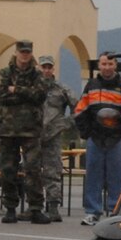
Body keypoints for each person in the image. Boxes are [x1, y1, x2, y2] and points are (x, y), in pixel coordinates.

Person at [73, 51, 121, 224]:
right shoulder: (92, 85)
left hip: (117, 140)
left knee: (118, 176)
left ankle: (116, 211)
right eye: (104, 64)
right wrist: (86, 132)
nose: (107, 67)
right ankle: (92, 212)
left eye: (110, 64)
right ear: (99, 65)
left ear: (115, 65)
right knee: (93, 176)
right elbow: (80, 110)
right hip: (95, 138)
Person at [0, 39, 49, 224]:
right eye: (22, 52)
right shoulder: (6, 72)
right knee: (7, 170)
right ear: (16, 52)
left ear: (31, 53)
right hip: (8, 129)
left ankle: (35, 208)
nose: (24, 56)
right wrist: (26, 94)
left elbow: (40, 95)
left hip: (31, 129)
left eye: (27, 52)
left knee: (33, 170)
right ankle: (10, 208)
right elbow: (1, 94)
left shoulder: (37, 74)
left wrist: (16, 90)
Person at [36, 55, 73, 222]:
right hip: (33, 135)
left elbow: (78, 108)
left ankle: (53, 206)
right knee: (32, 171)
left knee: (53, 171)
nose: (46, 70)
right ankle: (34, 206)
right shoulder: (32, 88)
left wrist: (64, 124)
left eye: (49, 67)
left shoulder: (62, 89)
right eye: (44, 67)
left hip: (53, 135)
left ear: (53, 69)